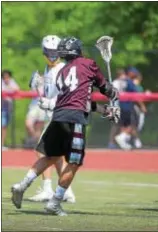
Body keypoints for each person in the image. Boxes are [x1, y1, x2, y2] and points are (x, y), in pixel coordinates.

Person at [11, 36, 120, 216]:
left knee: (50, 156)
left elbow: (79, 101)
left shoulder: (62, 71)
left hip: (58, 116)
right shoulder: (89, 64)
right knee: (74, 162)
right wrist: (112, 93)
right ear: (78, 50)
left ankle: (22, 185)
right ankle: (55, 202)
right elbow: (103, 88)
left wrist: (105, 111)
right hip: (75, 118)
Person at [27, 35, 76, 203]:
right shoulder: (48, 69)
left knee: (42, 151)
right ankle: (67, 190)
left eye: (55, 52)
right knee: (57, 156)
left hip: (61, 115)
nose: (52, 55)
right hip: (54, 116)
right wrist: (39, 85)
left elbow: (67, 95)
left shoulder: (62, 69)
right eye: (49, 52)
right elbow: (50, 91)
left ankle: (48, 189)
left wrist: (49, 103)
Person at [113, 68, 137, 150]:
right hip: (126, 105)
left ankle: (124, 143)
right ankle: (121, 137)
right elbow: (134, 91)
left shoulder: (116, 82)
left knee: (123, 125)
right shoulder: (127, 81)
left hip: (120, 105)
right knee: (132, 125)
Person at [1, 70, 20, 150]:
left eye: (7, 77)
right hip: (2, 108)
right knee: (2, 125)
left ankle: (2, 144)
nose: (6, 79)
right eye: (4, 77)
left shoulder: (12, 82)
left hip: (8, 107)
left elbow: (17, 89)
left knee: (4, 126)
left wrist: (9, 88)